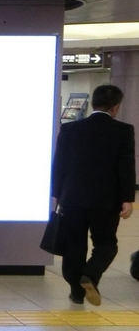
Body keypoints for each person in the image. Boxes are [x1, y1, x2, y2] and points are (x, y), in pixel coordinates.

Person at [51, 84, 135, 305]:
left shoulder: (70, 130)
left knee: (74, 247)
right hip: (106, 202)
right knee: (106, 244)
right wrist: (128, 198)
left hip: (72, 199)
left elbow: (59, 164)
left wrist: (56, 193)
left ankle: (76, 293)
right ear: (115, 107)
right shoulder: (123, 131)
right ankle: (90, 274)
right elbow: (126, 167)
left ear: (94, 104)